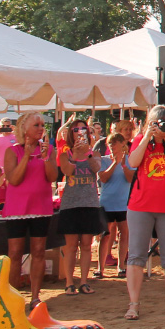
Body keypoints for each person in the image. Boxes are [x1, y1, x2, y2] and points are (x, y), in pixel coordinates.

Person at [125, 105, 165, 320]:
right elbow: (133, 162)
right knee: (136, 255)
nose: (162, 124)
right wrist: (146, 137)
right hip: (140, 206)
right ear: (149, 122)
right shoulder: (140, 139)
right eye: (158, 121)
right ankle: (133, 304)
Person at [2, 112, 58, 311]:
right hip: (17, 209)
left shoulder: (49, 150)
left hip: (41, 207)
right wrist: (26, 155)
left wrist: (44, 158)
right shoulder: (12, 151)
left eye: (42, 125)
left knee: (38, 252)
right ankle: (13, 298)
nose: (41, 128)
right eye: (36, 125)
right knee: (15, 253)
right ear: (24, 128)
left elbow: (52, 176)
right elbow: (14, 179)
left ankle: (35, 297)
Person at [56, 119, 104, 296]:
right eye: (76, 129)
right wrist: (75, 155)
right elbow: (67, 172)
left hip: (90, 203)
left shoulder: (95, 153)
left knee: (86, 244)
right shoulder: (64, 154)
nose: (80, 132)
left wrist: (88, 154)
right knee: (70, 246)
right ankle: (69, 282)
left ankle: (84, 281)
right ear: (71, 133)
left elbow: (96, 168)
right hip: (70, 204)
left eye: (84, 129)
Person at [97, 132, 133, 279]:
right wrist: (114, 163)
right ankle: (100, 268)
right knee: (105, 235)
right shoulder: (104, 160)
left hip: (123, 204)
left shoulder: (129, 160)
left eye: (115, 143)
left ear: (122, 144)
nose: (112, 146)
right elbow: (103, 178)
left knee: (123, 234)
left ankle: (121, 267)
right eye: (110, 144)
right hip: (107, 203)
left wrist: (123, 164)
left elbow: (130, 179)